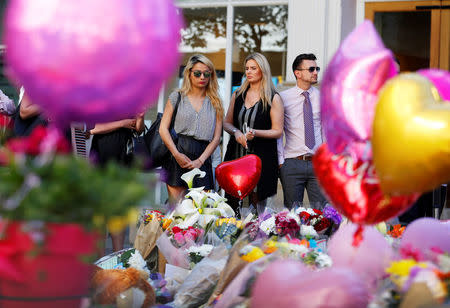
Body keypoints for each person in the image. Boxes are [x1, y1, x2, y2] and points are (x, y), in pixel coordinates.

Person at [223, 52, 284, 210]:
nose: (248, 72)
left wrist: (255, 132)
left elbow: (277, 131)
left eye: (253, 68)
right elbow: (227, 123)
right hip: (236, 156)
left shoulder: (273, 97)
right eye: (247, 68)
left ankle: (257, 235)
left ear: (262, 70)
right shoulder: (237, 95)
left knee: (257, 208)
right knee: (232, 205)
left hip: (261, 158)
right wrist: (236, 132)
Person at [160, 54, 223, 202]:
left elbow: (216, 138)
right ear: (189, 73)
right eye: (197, 73)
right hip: (177, 154)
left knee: (202, 211)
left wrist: (200, 161)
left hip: (203, 157)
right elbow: (163, 129)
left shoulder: (216, 102)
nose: (202, 77)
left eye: (207, 73)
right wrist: (176, 154)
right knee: (177, 211)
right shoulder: (177, 96)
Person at [277, 53, 327, 209]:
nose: (316, 72)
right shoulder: (282, 98)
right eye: (311, 69)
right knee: (292, 217)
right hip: (292, 163)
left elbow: (325, 131)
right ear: (297, 73)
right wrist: (280, 162)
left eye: (316, 68)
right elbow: (278, 131)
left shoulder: (323, 98)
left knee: (322, 216)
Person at [89, 113, 144, 252]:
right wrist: (122, 123)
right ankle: (100, 263)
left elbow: (139, 129)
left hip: (123, 158)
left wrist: (141, 117)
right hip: (101, 155)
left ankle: (117, 259)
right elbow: (91, 129)